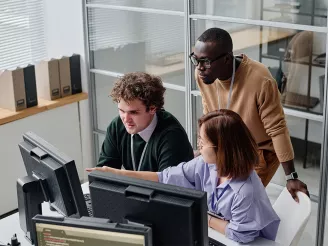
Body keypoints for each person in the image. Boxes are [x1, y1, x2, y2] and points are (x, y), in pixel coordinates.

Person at [87, 110, 280, 243]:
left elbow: (240, 234)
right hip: (218, 234)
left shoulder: (246, 191)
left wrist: (203, 218)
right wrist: (119, 174)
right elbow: (164, 177)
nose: (199, 147)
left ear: (223, 149)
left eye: (202, 142)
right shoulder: (205, 165)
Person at [190, 27, 309, 201]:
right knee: (207, 193)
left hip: (258, 150)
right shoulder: (202, 76)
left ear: (226, 59)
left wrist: (291, 177)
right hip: (226, 145)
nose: (199, 68)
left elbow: (277, 129)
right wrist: (204, 149)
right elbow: (210, 113)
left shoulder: (260, 80)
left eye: (206, 62)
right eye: (195, 59)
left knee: (237, 199)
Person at [97, 72, 194, 172]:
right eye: (121, 111)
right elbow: (104, 174)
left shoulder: (172, 136)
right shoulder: (117, 126)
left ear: (152, 108)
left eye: (133, 112)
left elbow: (167, 185)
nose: (125, 119)